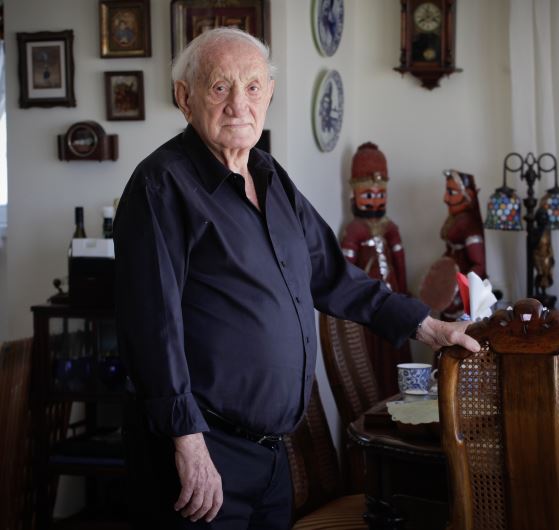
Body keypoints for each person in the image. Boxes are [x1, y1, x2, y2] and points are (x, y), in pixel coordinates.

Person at [113, 27, 479, 530]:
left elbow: (333, 275)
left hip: (271, 455)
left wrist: (430, 327)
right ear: (184, 97)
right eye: (219, 87)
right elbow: (151, 328)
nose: (239, 104)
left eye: (253, 87)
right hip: (202, 451)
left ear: (269, 95)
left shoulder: (270, 177)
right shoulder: (160, 185)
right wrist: (188, 443)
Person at [340, 142, 411, 396]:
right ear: (354, 195)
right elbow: (346, 270)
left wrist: (404, 292)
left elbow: (400, 261)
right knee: (371, 352)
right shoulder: (354, 230)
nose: (375, 202)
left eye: (380, 195)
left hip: (393, 296)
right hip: (366, 302)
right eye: (368, 196)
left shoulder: (389, 227)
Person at [438, 169, 486, 320]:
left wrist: (460, 289)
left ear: (468, 194)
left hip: (461, 288)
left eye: (451, 192)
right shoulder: (455, 219)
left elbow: (479, 265)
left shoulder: (468, 224)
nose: (445, 198)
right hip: (449, 280)